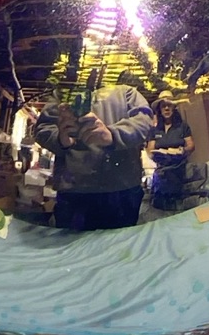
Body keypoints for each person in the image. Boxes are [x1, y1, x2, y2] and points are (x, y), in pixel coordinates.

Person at [33, 85, 154, 231]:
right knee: (77, 244)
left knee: (116, 243)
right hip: (79, 191)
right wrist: (60, 139)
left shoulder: (128, 93)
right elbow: (42, 129)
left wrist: (112, 135)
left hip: (118, 190)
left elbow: (144, 123)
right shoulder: (62, 92)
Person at [147, 96, 194, 212]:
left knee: (178, 203)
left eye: (169, 105)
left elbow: (191, 146)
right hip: (162, 170)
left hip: (179, 168)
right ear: (160, 109)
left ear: (174, 107)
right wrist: (157, 155)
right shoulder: (154, 130)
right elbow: (150, 150)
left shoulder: (182, 126)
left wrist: (182, 150)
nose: (166, 108)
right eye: (164, 106)